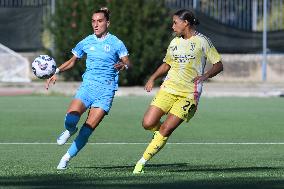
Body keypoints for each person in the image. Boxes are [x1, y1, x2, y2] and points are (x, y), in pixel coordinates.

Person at [132, 9, 223, 174]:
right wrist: (152, 78)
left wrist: (206, 75)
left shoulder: (203, 41)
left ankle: (141, 163)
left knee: (166, 129)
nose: (172, 26)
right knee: (147, 123)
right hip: (168, 89)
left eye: (175, 22)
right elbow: (167, 64)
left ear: (185, 23)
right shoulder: (174, 42)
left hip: (189, 94)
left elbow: (218, 64)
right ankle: (160, 136)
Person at [45, 7, 131, 170]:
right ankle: (70, 130)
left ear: (107, 23)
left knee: (87, 130)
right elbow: (72, 61)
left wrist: (123, 65)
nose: (96, 24)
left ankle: (66, 158)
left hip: (106, 91)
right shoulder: (86, 41)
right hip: (88, 87)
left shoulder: (116, 43)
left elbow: (127, 62)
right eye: (93, 21)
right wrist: (56, 71)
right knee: (71, 118)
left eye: (100, 21)